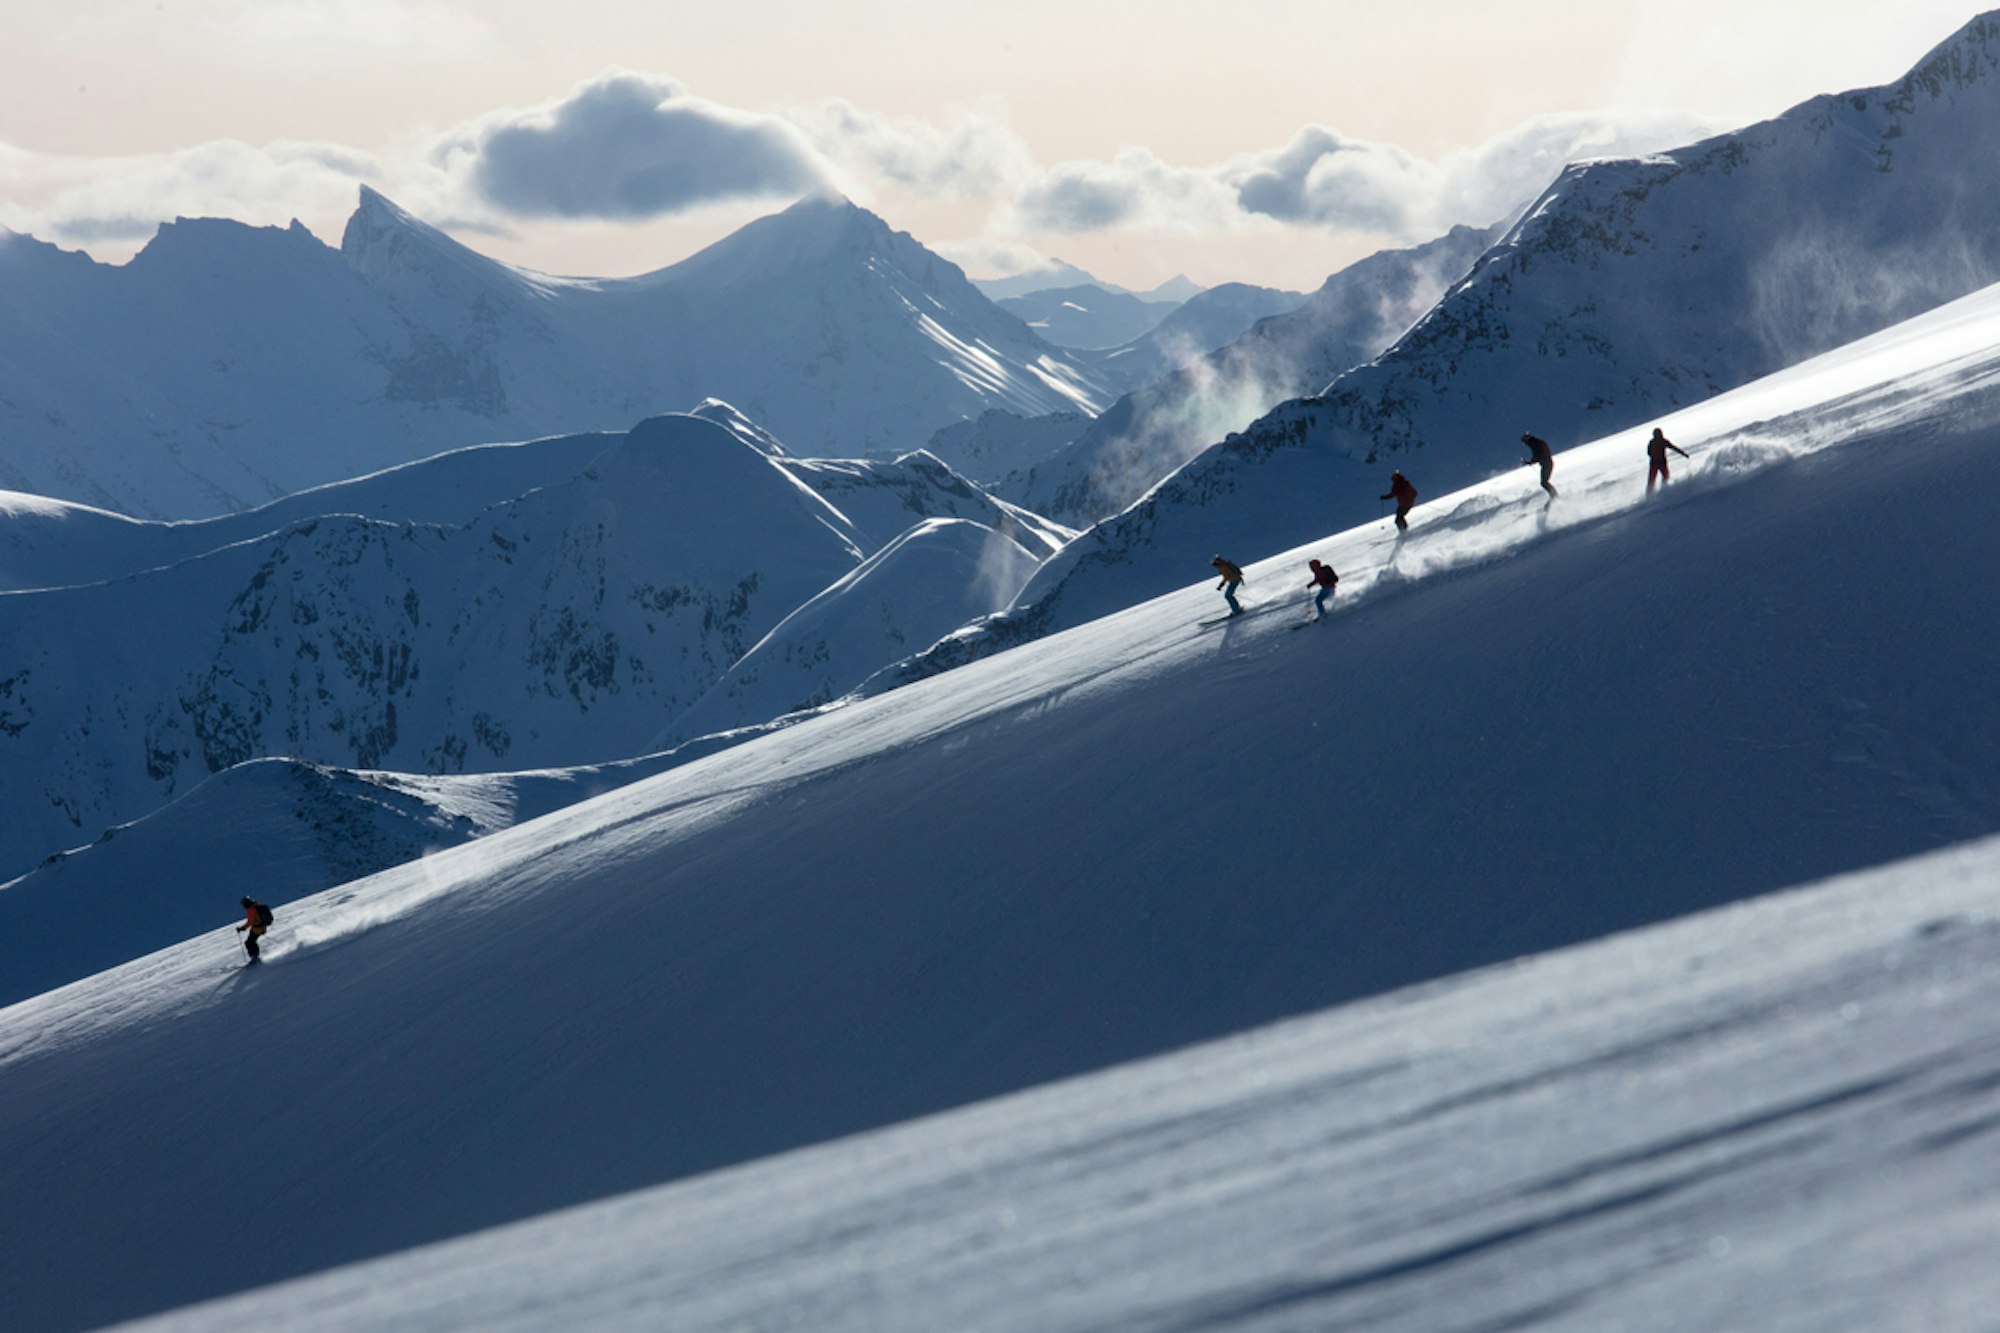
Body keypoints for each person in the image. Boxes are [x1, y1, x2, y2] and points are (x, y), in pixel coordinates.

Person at [1646, 427, 1688, 494]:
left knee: (1652, 480)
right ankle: (1664, 491)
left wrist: (1653, 457)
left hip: (1655, 463)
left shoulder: (1652, 442)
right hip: (1660, 462)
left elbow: (1648, 452)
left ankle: (1651, 494)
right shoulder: (1662, 441)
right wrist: (1683, 454)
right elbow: (1674, 447)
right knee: (1665, 477)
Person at [236, 896, 273, 964]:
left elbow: (250, 922)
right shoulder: (256, 907)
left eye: (244, 904)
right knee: (251, 941)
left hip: (257, 928)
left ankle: (255, 957)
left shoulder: (252, 909)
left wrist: (242, 928)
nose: (244, 906)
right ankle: (255, 956)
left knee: (249, 942)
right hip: (260, 928)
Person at [1521, 432, 1557, 499]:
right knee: (1544, 482)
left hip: (1547, 464)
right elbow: (1537, 456)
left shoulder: (1535, 444)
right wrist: (1530, 462)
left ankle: (1554, 495)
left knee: (1544, 482)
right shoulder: (1535, 443)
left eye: (1524, 442)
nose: (1525, 444)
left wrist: (1530, 462)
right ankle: (1554, 495)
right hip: (1547, 463)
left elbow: (1538, 455)